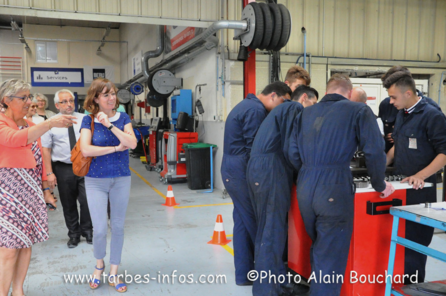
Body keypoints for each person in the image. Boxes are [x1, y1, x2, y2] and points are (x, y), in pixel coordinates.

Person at [288, 74, 394, 296]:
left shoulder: (304, 113)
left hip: (306, 186)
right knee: (330, 254)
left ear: (327, 90)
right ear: (349, 91)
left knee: (319, 247)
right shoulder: (358, 110)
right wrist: (379, 184)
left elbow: (292, 152)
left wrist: (309, 172)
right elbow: (374, 151)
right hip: (334, 187)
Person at [0, 79, 76, 296]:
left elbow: (40, 159)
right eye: (24, 97)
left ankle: (18, 290)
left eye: (29, 96)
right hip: (6, 193)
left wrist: (46, 190)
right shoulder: (2, 123)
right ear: (7, 100)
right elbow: (14, 140)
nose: (29, 101)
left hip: (30, 192)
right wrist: (50, 123)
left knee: (25, 243)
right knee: (7, 248)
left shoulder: (31, 126)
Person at [247, 85, 318, 295]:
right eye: (312, 105)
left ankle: (278, 283)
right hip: (271, 170)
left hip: (261, 169)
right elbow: (291, 147)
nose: (311, 110)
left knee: (268, 231)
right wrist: (306, 171)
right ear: (304, 98)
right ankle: (267, 290)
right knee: (271, 233)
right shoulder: (294, 108)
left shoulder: (280, 110)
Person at [221, 81, 292, 286]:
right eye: (283, 102)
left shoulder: (248, 105)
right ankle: (274, 277)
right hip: (240, 170)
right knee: (259, 225)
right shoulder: (255, 110)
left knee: (243, 221)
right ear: (272, 96)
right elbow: (257, 147)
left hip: (233, 168)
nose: (283, 107)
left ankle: (244, 274)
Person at [383, 70, 446, 284]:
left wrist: (420, 175)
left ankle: (414, 287)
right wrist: (381, 165)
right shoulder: (403, 113)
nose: (391, 102)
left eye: (394, 97)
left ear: (408, 93)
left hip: (420, 193)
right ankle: (399, 285)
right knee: (398, 242)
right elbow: (397, 145)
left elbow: (444, 153)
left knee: (415, 245)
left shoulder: (432, 115)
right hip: (400, 189)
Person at [79, 78, 137, 292]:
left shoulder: (123, 118)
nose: (112, 98)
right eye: (106, 95)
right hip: (95, 180)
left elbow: (132, 143)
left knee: (119, 226)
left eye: (113, 93)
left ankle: (114, 271)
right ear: (96, 98)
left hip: (121, 178)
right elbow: (86, 150)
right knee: (101, 229)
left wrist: (110, 125)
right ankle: (99, 265)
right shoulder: (88, 120)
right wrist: (114, 149)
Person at [41, 89, 93, 249]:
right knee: (68, 203)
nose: (69, 104)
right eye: (64, 102)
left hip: (85, 166)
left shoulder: (85, 119)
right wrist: (49, 173)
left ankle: (88, 230)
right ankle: (74, 234)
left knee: (87, 200)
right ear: (57, 105)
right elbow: (46, 150)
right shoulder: (50, 123)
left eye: (71, 101)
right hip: (63, 168)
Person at [379, 66, 441, 153]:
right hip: (395, 159)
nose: (391, 101)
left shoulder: (431, 111)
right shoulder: (387, 105)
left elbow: (441, 148)